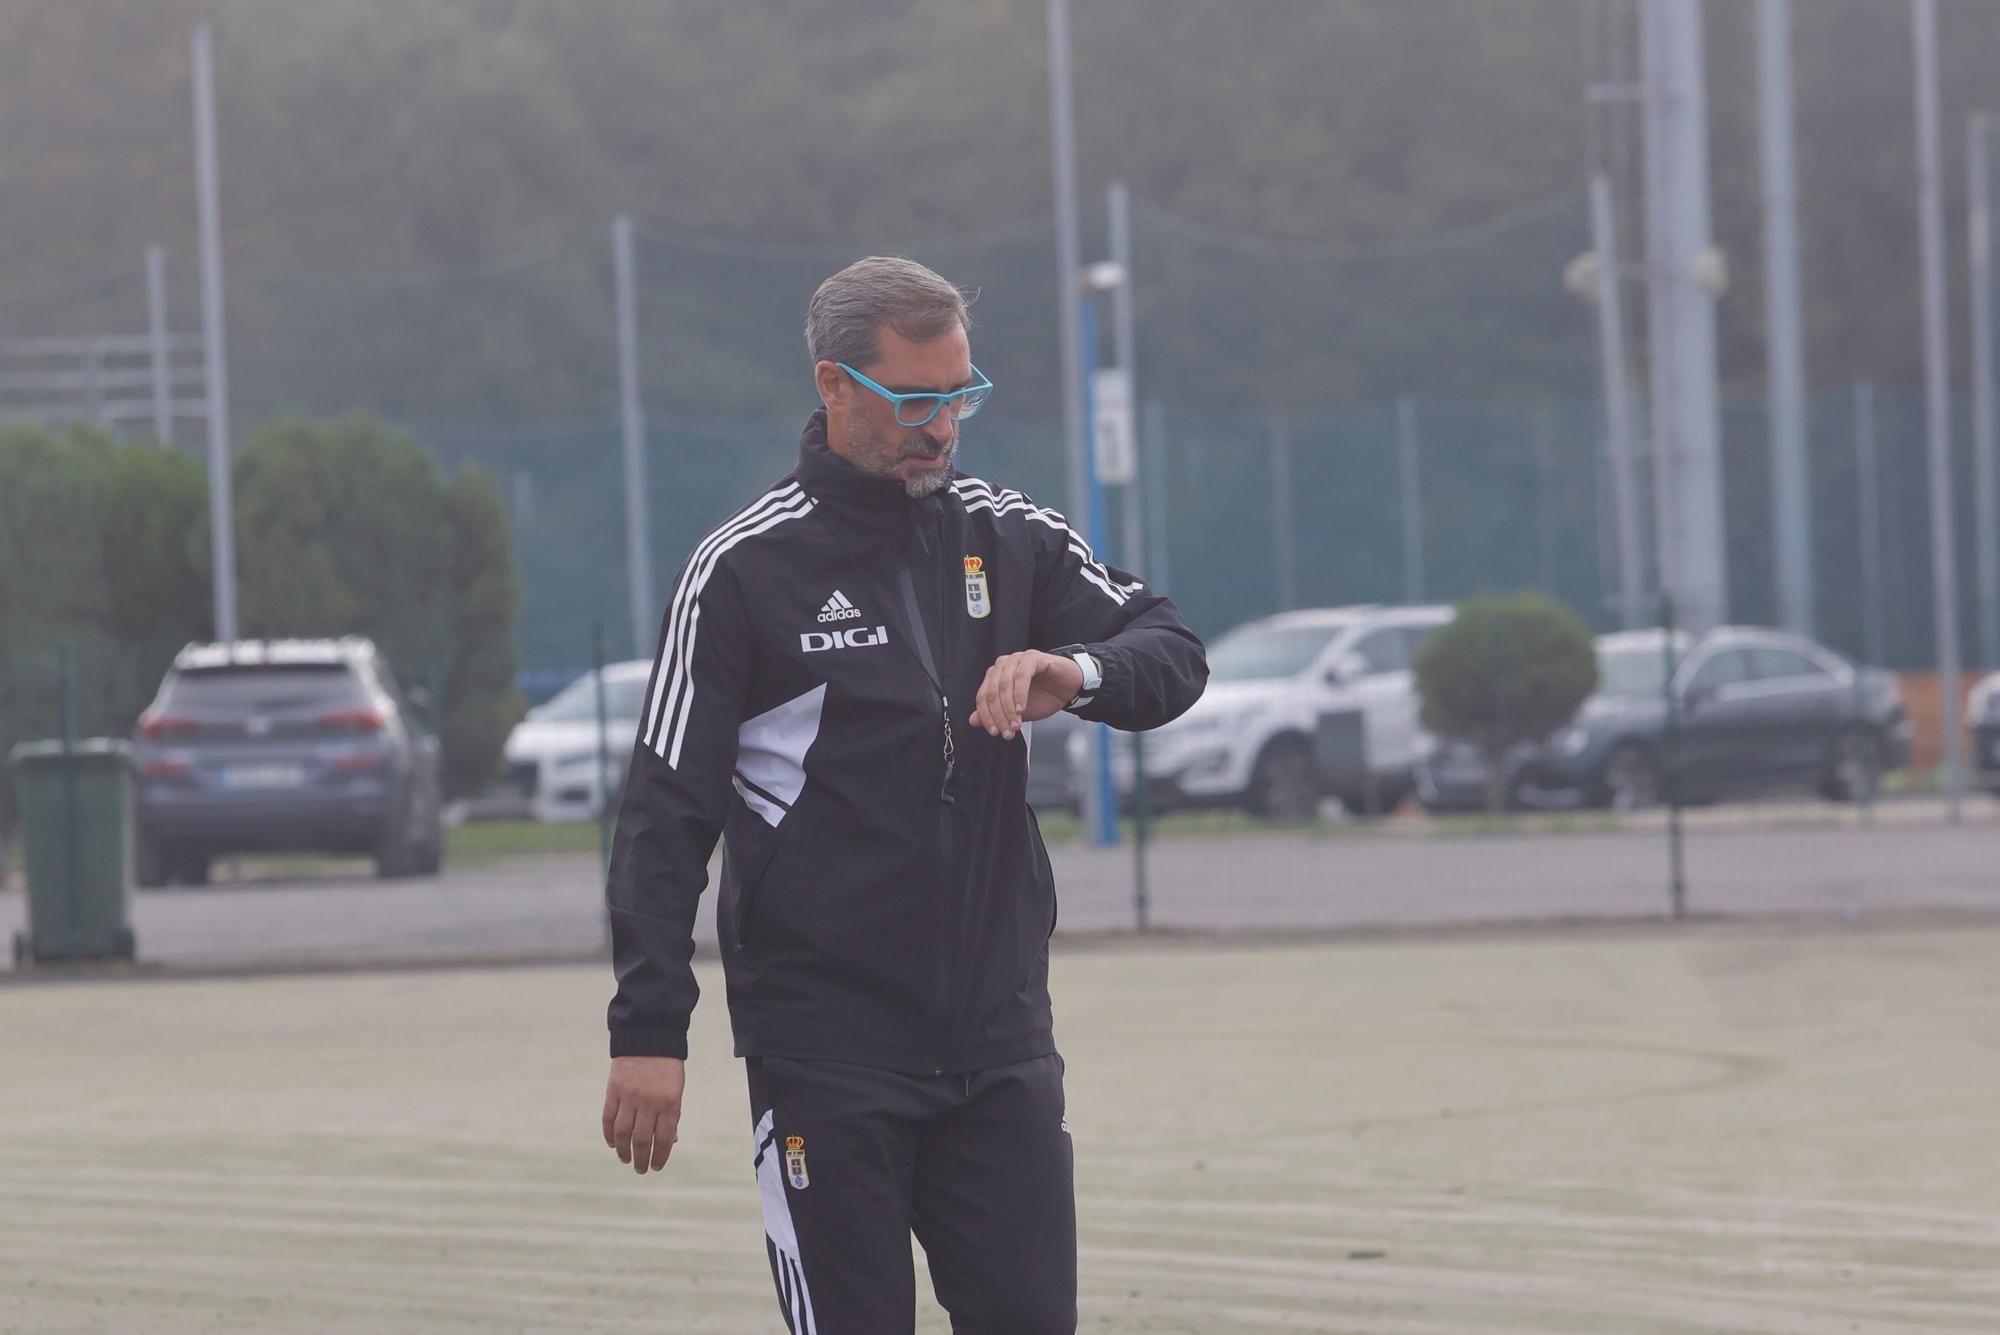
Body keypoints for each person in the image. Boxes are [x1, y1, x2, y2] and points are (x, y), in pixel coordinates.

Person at [599, 255, 1206, 1334]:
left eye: (958, 396)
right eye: (913, 400)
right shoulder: (741, 571)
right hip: (825, 1055)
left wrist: (1075, 672)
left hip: (999, 1042)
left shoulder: (1007, 534)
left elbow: (1168, 646)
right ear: (835, 389)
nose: (940, 428)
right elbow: (662, 815)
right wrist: (648, 1029)